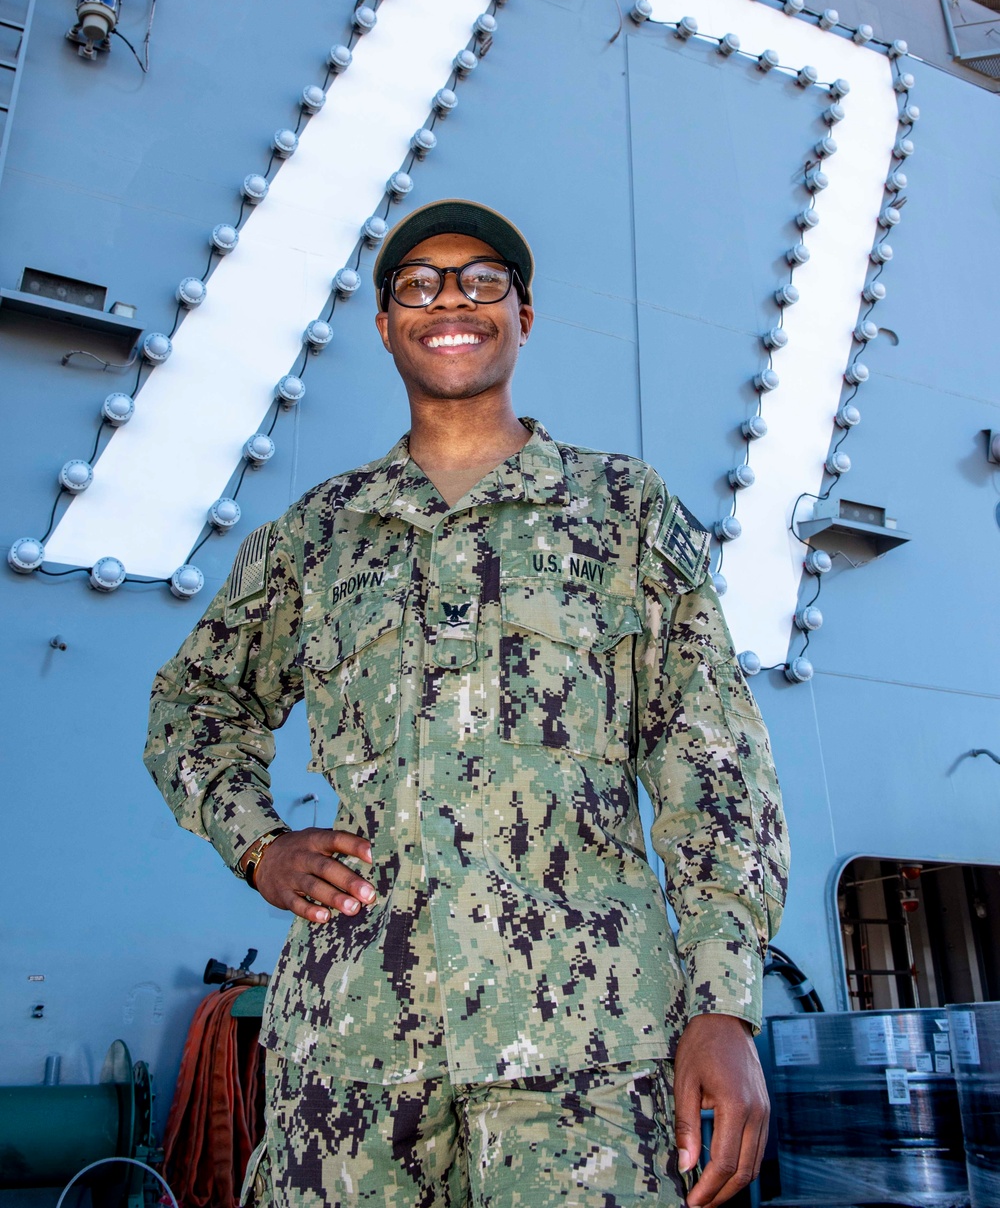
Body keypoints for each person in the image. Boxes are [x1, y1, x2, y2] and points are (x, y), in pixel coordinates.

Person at [145, 198, 789, 1208]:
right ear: (385, 323)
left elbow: (712, 764)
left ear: (522, 316)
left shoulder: (623, 511)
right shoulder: (316, 537)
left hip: (585, 1061)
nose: (452, 300)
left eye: (482, 280)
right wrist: (257, 844)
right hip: (350, 1065)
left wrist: (724, 1006)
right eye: (419, 283)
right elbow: (195, 700)